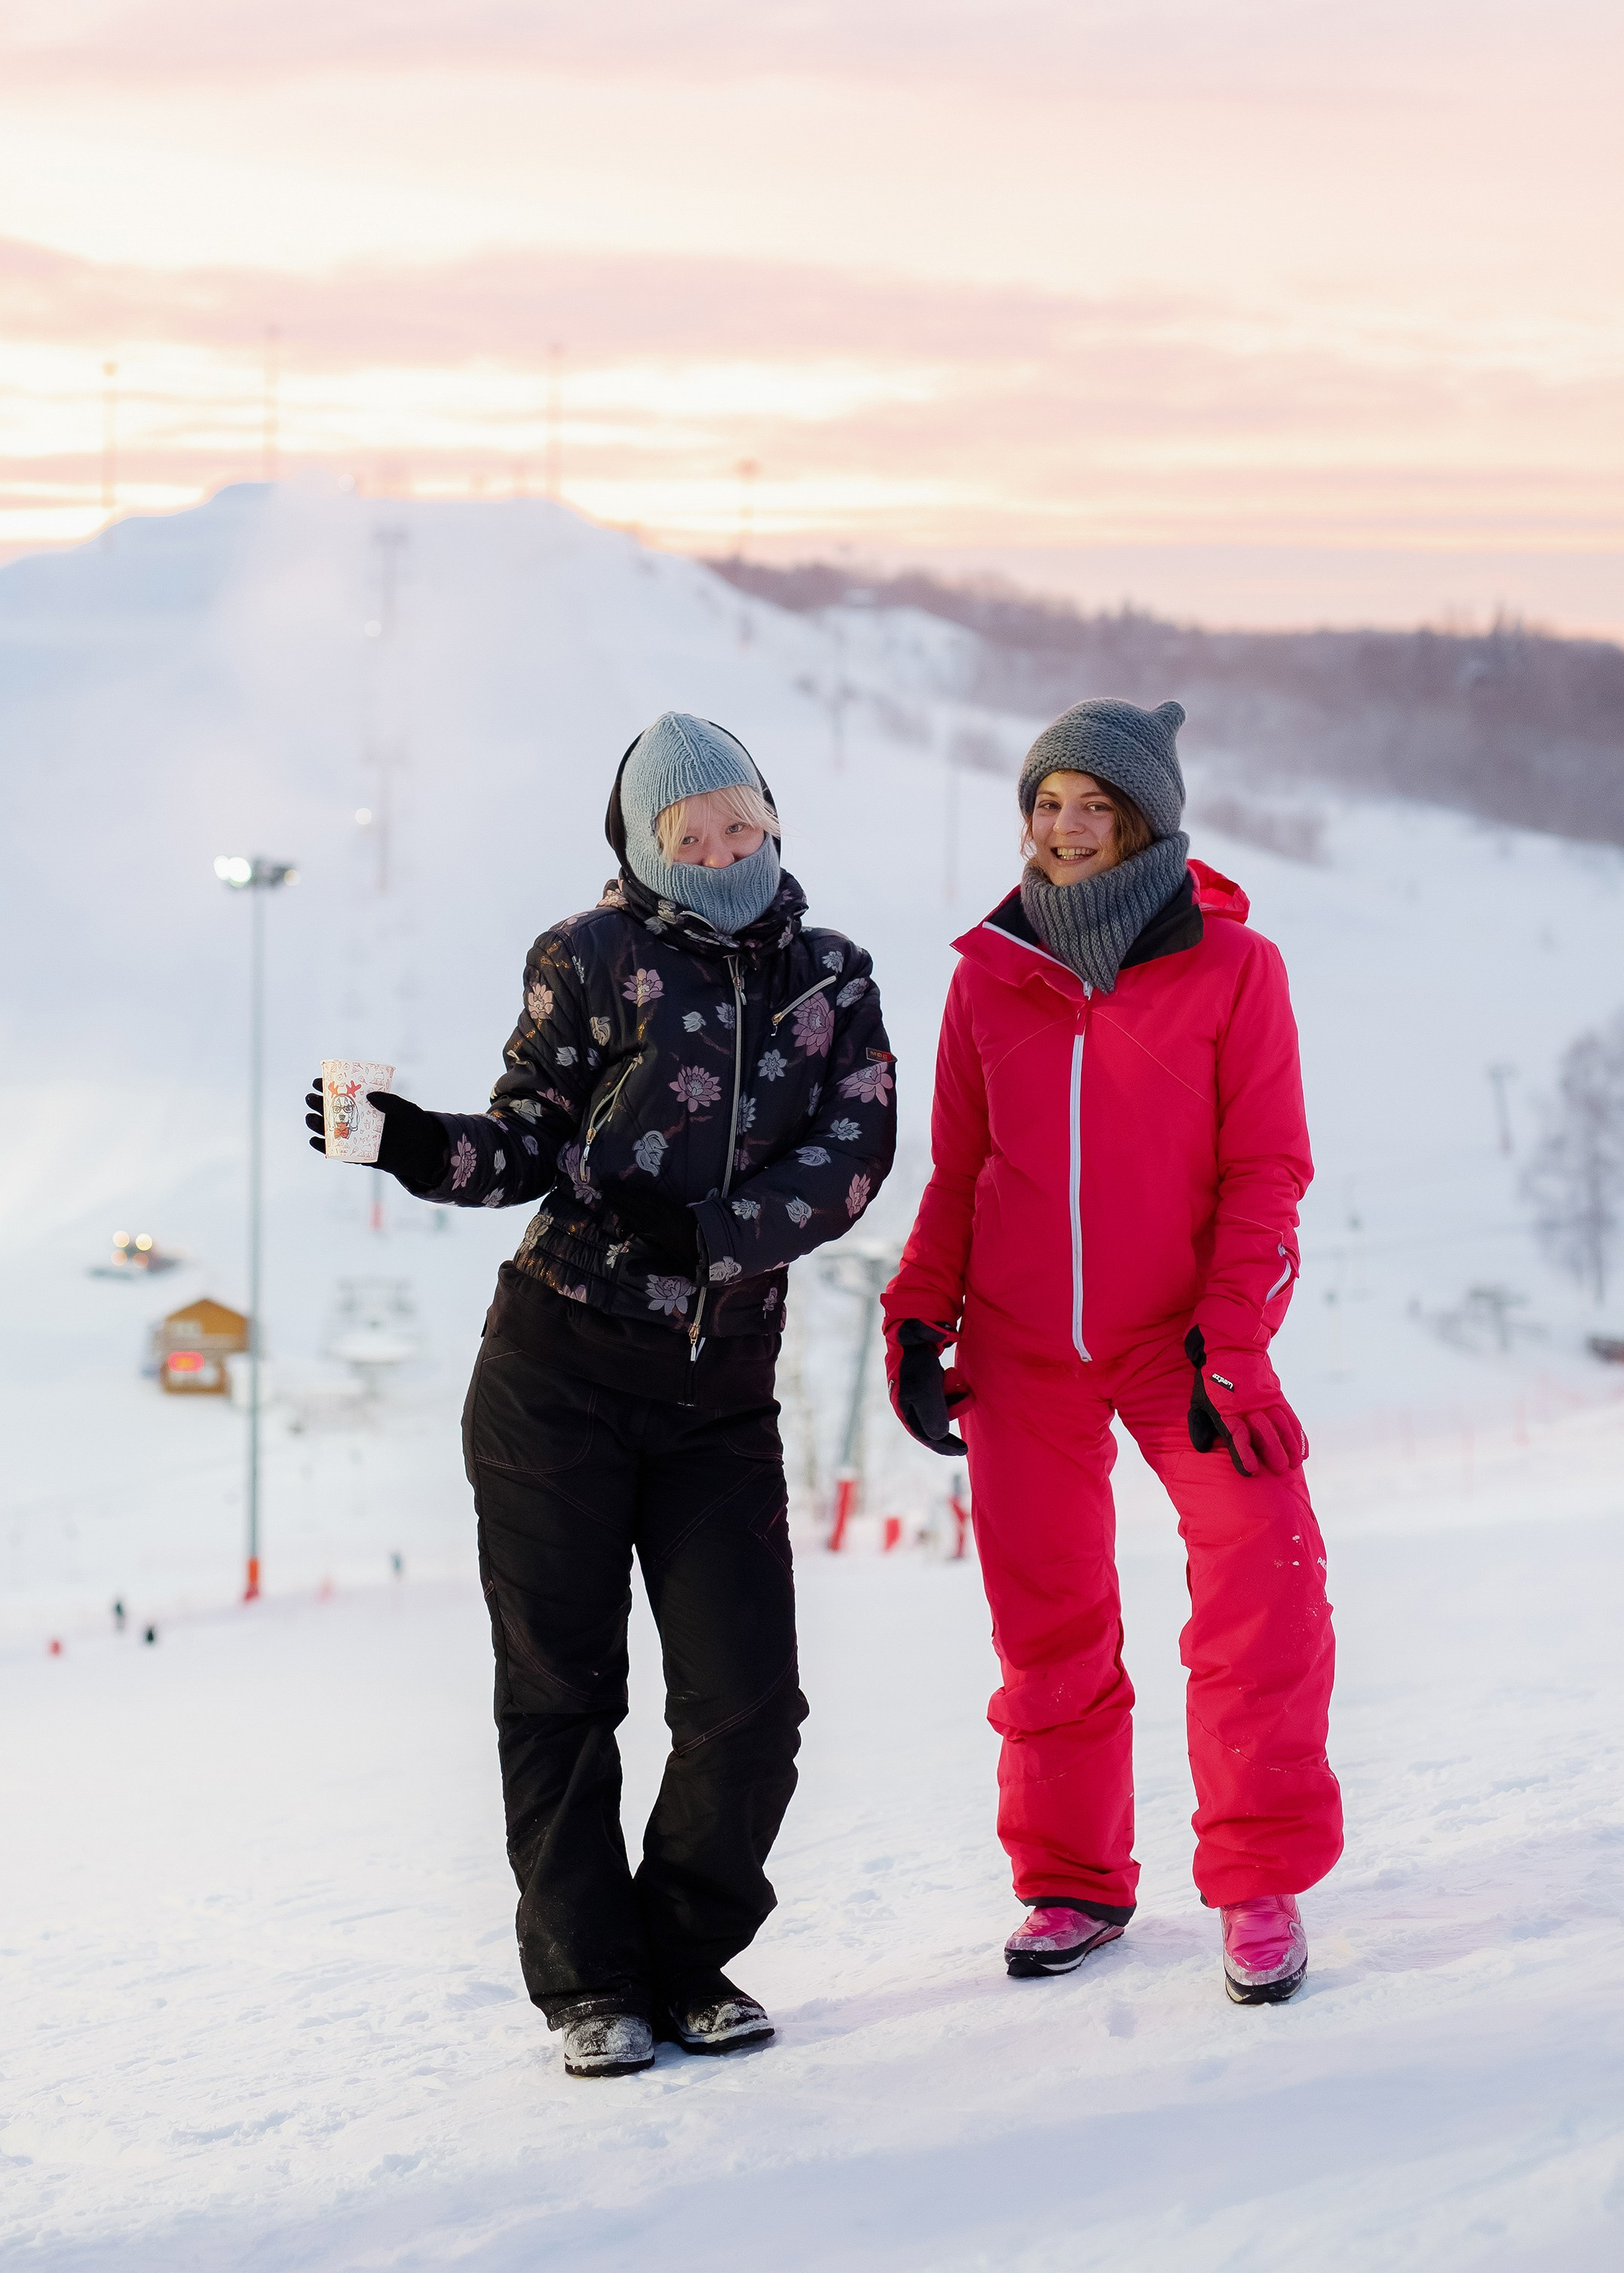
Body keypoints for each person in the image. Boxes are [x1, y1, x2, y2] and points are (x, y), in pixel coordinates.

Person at [305, 714, 896, 2076]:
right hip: (554, 1375)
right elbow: (524, 1139)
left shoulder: (830, 977)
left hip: (718, 1393)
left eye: (741, 824)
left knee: (749, 1705)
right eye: (690, 835)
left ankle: (687, 1958)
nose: (723, 852)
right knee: (562, 1695)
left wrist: (713, 1234)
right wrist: (412, 1145)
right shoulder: (587, 956)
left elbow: (853, 1154)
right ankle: (590, 1985)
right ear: (641, 845)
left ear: (772, 820)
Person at [882, 698, 1340, 2006]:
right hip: (1021, 1346)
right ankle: (1073, 1881)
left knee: (1264, 1580)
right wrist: (918, 1315)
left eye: (1094, 805)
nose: (1066, 828)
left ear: (1144, 821)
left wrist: (1230, 1339)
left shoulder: (1233, 970)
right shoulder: (988, 974)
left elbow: (1266, 1170)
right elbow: (959, 1169)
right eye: (1046, 803)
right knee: (1046, 1621)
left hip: (1178, 1343)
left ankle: (1255, 1880)